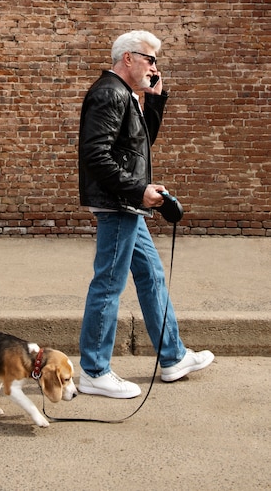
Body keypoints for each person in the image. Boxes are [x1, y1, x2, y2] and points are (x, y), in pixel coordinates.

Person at [78, 30, 214, 398]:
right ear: (128, 58)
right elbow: (96, 155)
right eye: (150, 59)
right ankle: (93, 370)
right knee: (108, 284)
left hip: (128, 202)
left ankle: (172, 357)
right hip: (118, 203)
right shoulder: (109, 93)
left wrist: (154, 99)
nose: (155, 67)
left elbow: (141, 145)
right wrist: (139, 189)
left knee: (152, 275)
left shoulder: (128, 96)